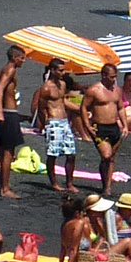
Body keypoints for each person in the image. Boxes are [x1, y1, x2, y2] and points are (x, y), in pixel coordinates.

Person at [80, 63, 126, 194]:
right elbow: (83, 108)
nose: (114, 80)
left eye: (115, 77)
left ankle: (107, 186)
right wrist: (87, 126)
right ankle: (105, 183)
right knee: (106, 156)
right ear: (104, 75)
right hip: (99, 127)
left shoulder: (117, 90)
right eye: (111, 77)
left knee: (111, 158)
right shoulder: (94, 90)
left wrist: (125, 125)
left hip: (114, 127)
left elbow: (121, 108)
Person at [32, 58, 77, 192]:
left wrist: (80, 110)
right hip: (53, 122)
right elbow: (41, 108)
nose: (63, 73)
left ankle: (69, 183)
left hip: (64, 122)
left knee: (71, 154)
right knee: (53, 154)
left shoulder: (62, 85)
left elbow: (63, 102)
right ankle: (54, 182)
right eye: (61, 70)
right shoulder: (46, 88)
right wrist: (45, 124)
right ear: (52, 70)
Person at [0, 45, 27, 199]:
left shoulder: (2, 70)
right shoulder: (10, 70)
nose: (23, 61)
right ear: (14, 58)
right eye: (22, 58)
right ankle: (5, 188)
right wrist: (1, 112)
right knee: (8, 152)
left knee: (3, 151)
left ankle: (3, 185)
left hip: (6, 113)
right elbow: (0, 89)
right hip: (8, 113)